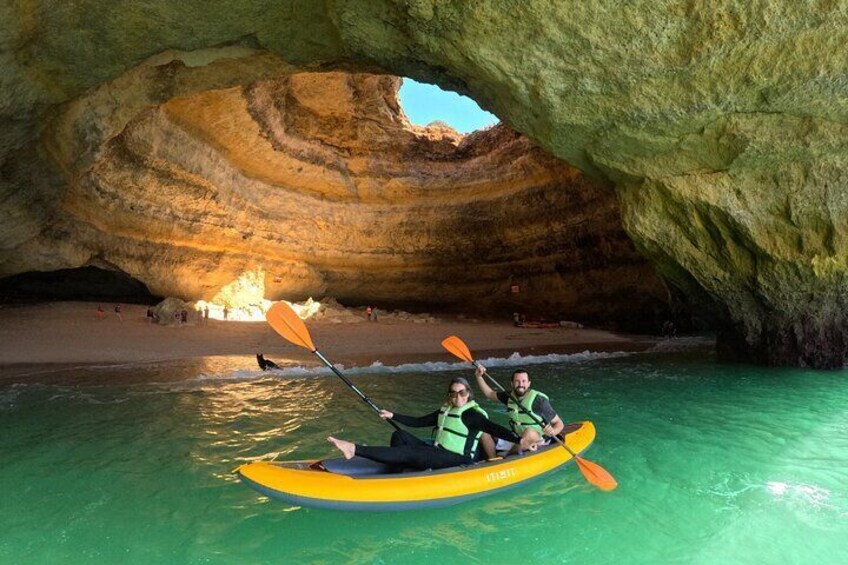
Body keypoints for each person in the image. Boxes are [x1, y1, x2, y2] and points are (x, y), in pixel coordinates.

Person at [327, 377, 537, 471]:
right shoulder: (446, 410)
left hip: (458, 459)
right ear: (449, 395)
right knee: (400, 437)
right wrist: (393, 416)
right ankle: (403, 465)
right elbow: (419, 422)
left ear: (468, 394)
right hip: (438, 452)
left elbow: (494, 429)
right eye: (453, 393)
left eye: (462, 392)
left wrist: (520, 439)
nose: (458, 397)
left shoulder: (471, 415)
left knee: (412, 452)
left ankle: (353, 449)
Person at [474, 365, 565, 456]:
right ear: (512, 383)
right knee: (483, 429)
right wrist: (479, 376)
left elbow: (559, 423)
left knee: (529, 432)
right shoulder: (509, 396)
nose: (521, 384)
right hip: (516, 437)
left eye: (524, 381)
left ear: (529, 383)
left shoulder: (538, 401)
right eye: (517, 381)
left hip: (538, 439)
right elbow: (489, 394)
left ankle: (506, 458)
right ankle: (493, 460)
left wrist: (552, 431)